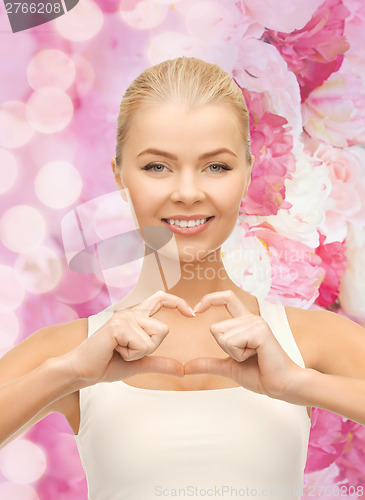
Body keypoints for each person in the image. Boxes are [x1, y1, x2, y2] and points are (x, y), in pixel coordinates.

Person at [1, 56, 365, 500]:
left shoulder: (310, 341)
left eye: (216, 167)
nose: (188, 192)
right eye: (157, 167)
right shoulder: (67, 351)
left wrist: (298, 384)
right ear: (120, 176)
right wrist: (68, 373)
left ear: (248, 174)